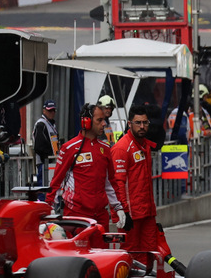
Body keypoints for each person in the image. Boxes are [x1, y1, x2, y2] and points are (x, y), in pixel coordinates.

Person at [45, 103, 127, 229]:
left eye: (104, 120)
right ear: (86, 122)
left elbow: (110, 182)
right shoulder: (69, 148)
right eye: (99, 120)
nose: (104, 124)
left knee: (102, 249)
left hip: (101, 216)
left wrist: (118, 207)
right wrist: (49, 207)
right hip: (77, 217)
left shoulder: (105, 148)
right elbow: (56, 181)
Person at [112, 104, 159, 262]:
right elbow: (118, 183)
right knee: (130, 254)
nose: (142, 126)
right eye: (138, 123)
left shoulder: (145, 145)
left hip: (147, 211)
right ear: (129, 124)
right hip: (131, 213)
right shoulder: (122, 148)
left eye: (145, 123)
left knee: (150, 251)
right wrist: (123, 211)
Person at [31, 100, 59, 183]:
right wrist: (47, 157)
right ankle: (41, 196)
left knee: (51, 185)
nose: (52, 113)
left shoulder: (51, 124)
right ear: (44, 111)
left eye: (53, 110)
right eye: (49, 110)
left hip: (52, 161)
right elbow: (38, 147)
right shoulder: (41, 124)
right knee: (43, 186)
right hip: (44, 162)